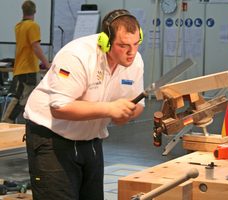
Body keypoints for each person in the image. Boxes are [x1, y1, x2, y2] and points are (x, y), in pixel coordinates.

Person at [24, 9, 145, 200]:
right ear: (105, 41)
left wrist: (127, 113)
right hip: (53, 139)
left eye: (136, 43)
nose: (132, 52)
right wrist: (111, 109)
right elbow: (60, 108)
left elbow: (138, 104)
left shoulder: (134, 61)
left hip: (91, 141)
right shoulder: (77, 56)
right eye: (123, 45)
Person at [1, 0, 51, 123]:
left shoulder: (18, 26)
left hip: (23, 68)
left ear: (23, 12)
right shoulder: (32, 26)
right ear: (35, 11)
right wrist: (48, 64)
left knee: (35, 97)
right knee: (20, 99)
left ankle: (37, 122)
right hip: (29, 70)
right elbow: (35, 46)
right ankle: (6, 122)